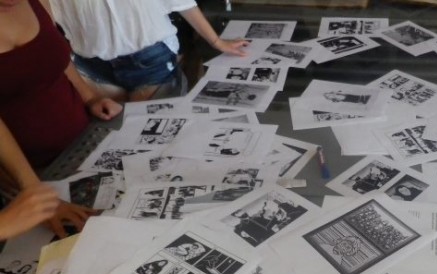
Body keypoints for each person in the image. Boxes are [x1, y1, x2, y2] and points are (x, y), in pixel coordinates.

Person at [0, 0, 123, 240]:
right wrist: (32, 189)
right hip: (29, 169)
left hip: (83, 140)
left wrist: (90, 96)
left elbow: (52, 51)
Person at [49, 0, 250, 101]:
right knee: (111, 137)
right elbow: (45, 22)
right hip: (91, 66)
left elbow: (181, 2)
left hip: (150, 61)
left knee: (152, 139)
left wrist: (216, 41)